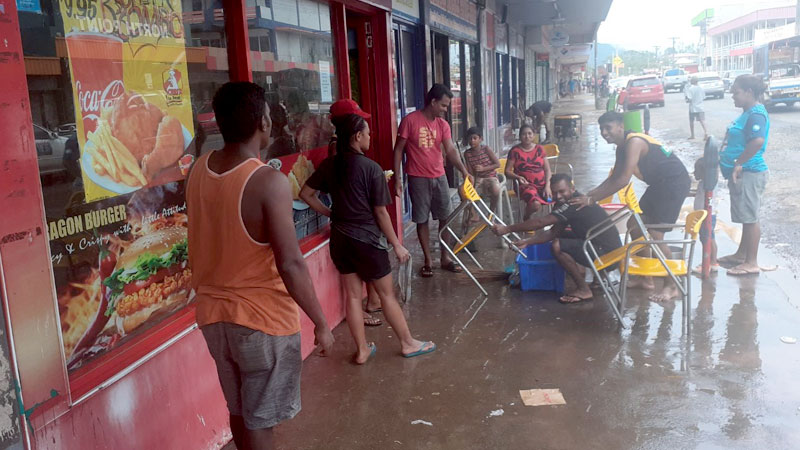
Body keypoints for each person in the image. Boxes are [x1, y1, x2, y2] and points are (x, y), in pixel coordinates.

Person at [186, 82, 335, 450]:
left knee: (239, 410)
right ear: (264, 123)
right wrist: (321, 322)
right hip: (262, 321)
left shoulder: (199, 169)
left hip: (213, 317)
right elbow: (291, 263)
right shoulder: (268, 182)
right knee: (261, 420)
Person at [300, 104, 436, 364]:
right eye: (368, 133)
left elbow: (305, 194)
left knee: (352, 296)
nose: (370, 137)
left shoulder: (330, 164)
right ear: (357, 136)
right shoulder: (371, 168)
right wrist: (397, 244)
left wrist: (330, 213)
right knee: (386, 295)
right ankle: (408, 343)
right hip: (367, 241)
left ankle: (362, 350)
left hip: (340, 239)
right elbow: (381, 213)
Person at [570, 111, 691, 302]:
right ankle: (646, 279)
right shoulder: (621, 147)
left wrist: (591, 200)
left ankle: (671, 285)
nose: (604, 132)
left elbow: (622, 181)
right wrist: (589, 195)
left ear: (621, 127)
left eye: (608, 128)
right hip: (658, 184)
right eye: (601, 129)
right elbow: (613, 178)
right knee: (634, 225)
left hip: (673, 184)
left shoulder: (634, 143)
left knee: (655, 235)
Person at [493, 174, 622, 303]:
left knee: (557, 246)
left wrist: (507, 229)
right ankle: (597, 281)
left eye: (562, 191)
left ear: (572, 189)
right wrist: (527, 242)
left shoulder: (573, 204)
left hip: (607, 256)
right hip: (609, 250)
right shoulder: (571, 202)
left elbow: (540, 222)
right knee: (563, 235)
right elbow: (553, 232)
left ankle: (584, 290)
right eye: (554, 192)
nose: (558, 196)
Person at [393, 84, 472, 278]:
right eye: (443, 105)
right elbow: (398, 150)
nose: (445, 110)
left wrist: (464, 170)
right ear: (433, 102)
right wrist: (397, 178)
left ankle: (446, 257)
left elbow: (450, 150)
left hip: (440, 176)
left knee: (446, 217)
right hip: (417, 177)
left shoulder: (443, 125)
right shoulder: (410, 121)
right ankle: (428, 261)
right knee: (422, 219)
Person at [718, 75, 770, 276]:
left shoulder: (756, 115)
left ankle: (751, 262)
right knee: (745, 216)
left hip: (751, 171)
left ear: (749, 92)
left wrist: (739, 163)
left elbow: (757, 141)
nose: (733, 96)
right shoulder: (747, 113)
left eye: (736, 92)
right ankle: (741, 255)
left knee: (750, 218)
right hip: (743, 172)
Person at [505, 124, 552, 220]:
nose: (527, 136)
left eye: (530, 133)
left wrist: (547, 186)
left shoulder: (539, 149)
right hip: (525, 185)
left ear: (534, 135)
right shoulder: (515, 151)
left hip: (542, 184)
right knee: (535, 204)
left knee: (561, 195)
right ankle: (526, 217)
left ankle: (553, 222)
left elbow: (547, 170)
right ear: (520, 136)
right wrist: (518, 177)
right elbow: (507, 171)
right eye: (524, 134)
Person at [463, 126, 501, 215]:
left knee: (496, 190)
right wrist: (470, 176)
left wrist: (484, 169)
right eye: (470, 139)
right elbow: (470, 169)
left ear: (481, 139)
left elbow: (497, 164)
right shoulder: (467, 153)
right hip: (478, 178)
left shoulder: (486, 149)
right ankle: (473, 214)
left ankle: (491, 212)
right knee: (465, 192)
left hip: (490, 176)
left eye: (475, 138)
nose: (472, 141)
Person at [693, 156, 719, 274]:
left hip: (707, 216)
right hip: (702, 215)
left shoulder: (709, 184)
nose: (694, 173)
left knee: (708, 238)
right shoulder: (704, 183)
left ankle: (710, 262)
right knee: (706, 238)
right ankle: (709, 261)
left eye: (696, 170)